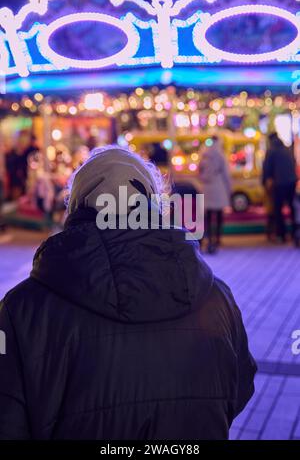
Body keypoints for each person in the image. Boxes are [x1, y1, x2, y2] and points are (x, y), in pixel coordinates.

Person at [0, 146, 256, 440]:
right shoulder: (216, 297)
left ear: (77, 206)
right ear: (152, 202)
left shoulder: (23, 309)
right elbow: (239, 387)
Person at [199, 136, 232, 254]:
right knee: (218, 214)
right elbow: (226, 175)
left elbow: (199, 171)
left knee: (207, 215)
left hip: (207, 188)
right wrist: (229, 189)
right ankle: (217, 239)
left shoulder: (204, 155)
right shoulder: (220, 156)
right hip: (218, 187)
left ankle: (208, 238)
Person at [263, 133, 297, 242]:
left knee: (278, 209)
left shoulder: (272, 151)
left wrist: (266, 181)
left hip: (279, 183)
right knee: (292, 208)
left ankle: (281, 234)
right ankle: (295, 232)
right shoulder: (286, 149)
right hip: (291, 182)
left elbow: (267, 168)